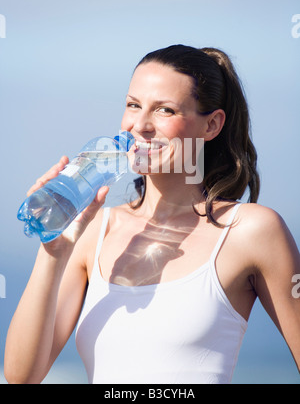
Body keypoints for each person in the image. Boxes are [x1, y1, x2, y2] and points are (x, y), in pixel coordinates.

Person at [4, 45, 300, 384]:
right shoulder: (93, 231)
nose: (140, 125)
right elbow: (20, 376)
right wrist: (51, 253)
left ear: (212, 125)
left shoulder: (251, 231)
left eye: (165, 110)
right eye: (133, 105)